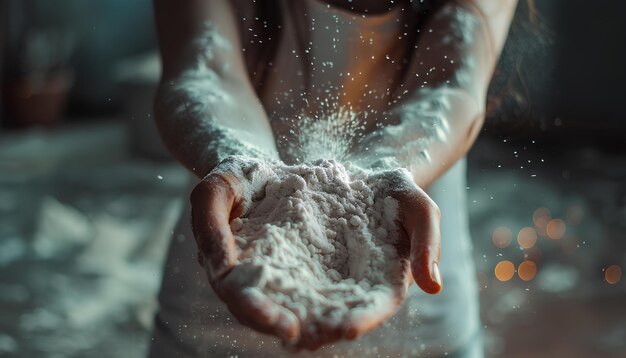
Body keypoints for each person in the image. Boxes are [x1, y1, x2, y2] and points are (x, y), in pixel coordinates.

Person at [149, 0, 518, 356]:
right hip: (220, 298)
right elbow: (206, 68)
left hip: (416, 311)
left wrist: (380, 174)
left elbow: (448, 83)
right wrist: (246, 166)